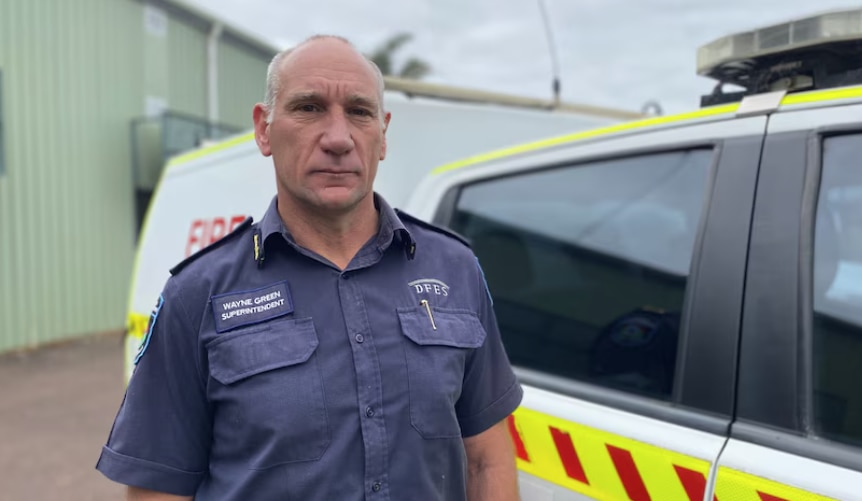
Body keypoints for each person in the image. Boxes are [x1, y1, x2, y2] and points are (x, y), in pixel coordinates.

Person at [96, 34, 523, 501]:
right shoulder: (197, 294)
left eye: (359, 112)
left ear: (383, 134)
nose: (338, 139)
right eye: (309, 107)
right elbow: (159, 489)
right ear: (264, 129)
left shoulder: (454, 270)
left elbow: (487, 458)